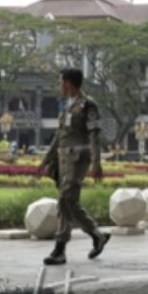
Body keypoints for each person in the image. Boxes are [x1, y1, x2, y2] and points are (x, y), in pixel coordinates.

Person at [37, 68, 110, 266]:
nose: (59, 85)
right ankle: (97, 235)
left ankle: (60, 248)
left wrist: (96, 163)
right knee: (71, 203)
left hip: (78, 160)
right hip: (62, 160)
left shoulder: (88, 105)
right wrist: (46, 159)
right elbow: (59, 136)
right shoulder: (66, 105)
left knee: (63, 200)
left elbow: (95, 135)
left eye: (60, 82)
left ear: (68, 83)